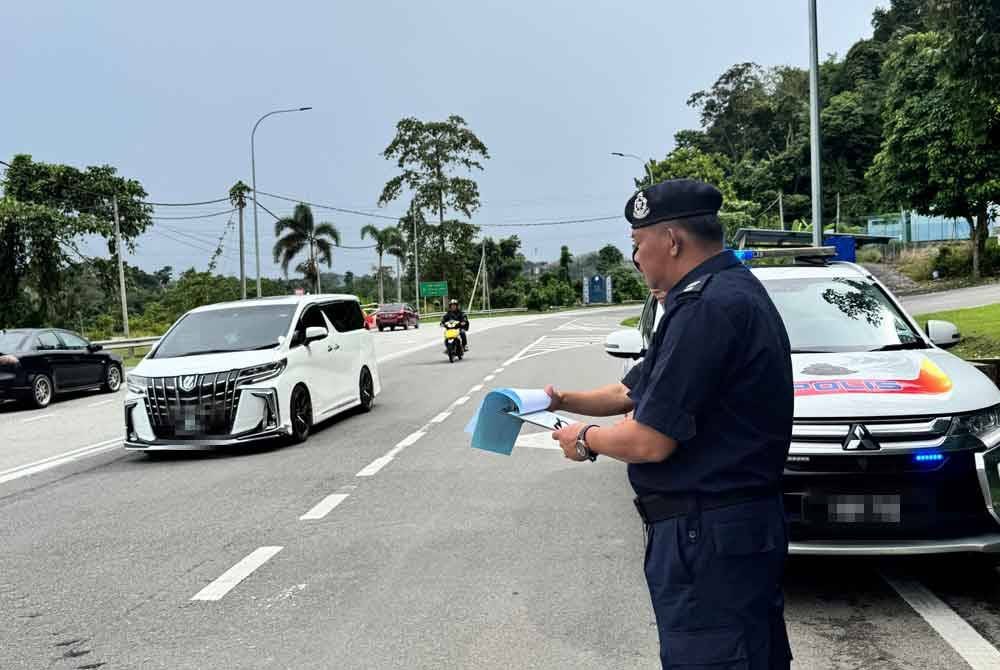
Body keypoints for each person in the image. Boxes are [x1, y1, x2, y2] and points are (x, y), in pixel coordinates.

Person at [546, 179, 794, 669]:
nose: (636, 258)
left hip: (708, 532)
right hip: (731, 528)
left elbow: (650, 440)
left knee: (713, 657)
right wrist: (561, 399)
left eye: (638, 244)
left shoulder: (706, 309)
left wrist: (585, 441)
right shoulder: (721, 293)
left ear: (672, 241)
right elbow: (631, 392)